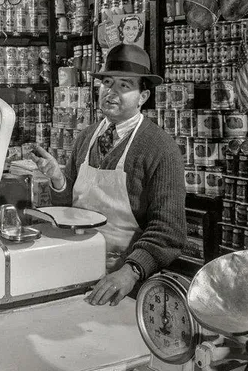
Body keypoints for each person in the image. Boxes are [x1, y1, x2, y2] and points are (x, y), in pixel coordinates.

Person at [30, 43, 187, 307]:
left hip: (127, 283)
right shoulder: (86, 137)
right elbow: (72, 206)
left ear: (143, 96)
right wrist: (58, 179)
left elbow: (169, 230)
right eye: (107, 82)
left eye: (124, 85)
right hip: (75, 266)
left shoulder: (160, 148)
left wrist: (131, 271)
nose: (111, 92)